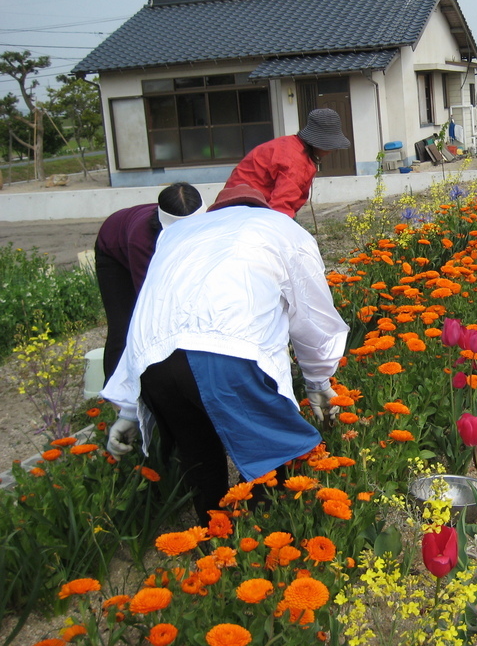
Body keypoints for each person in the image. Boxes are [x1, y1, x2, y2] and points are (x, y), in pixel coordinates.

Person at [102, 184, 350, 522]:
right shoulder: (282, 230)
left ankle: (214, 546)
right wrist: (318, 380)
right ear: (263, 208)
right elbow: (312, 318)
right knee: (275, 455)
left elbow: (147, 316)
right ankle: (267, 545)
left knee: (198, 455)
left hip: (154, 365)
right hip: (225, 358)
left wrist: (129, 409)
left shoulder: (179, 235)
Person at [94, 183, 205, 383]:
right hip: (114, 252)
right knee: (125, 326)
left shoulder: (208, 225)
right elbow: (151, 301)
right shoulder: (142, 240)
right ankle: (115, 395)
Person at [224, 108, 351, 217]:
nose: (331, 151)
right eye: (329, 146)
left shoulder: (290, 144)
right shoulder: (296, 161)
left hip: (238, 204)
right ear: (317, 142)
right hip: (243, 209)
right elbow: (281, 207)